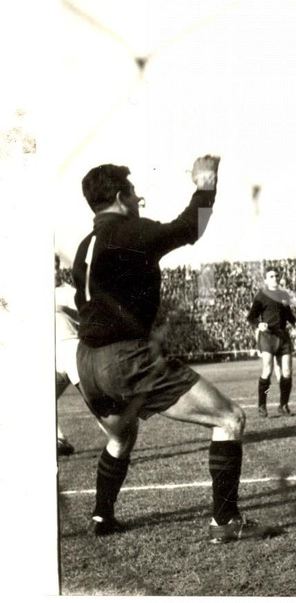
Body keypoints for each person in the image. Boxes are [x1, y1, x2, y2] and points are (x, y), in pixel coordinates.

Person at [72, 156, 273, 542]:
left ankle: (102, 516)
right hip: (125, 357)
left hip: (88, 362)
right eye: (133, 194)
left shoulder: (84, 245)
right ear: (120, 196)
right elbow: (188, 228)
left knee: (120, 437)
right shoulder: (127, 232)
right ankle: (226, 521)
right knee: (229, 418)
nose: (137, 201)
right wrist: (206, 185)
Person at [247, 267, 296, 417]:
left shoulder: (284, 295)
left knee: (287, 372)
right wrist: (259, 324)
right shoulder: (261, 296)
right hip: (268, 336)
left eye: (276, 276)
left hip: (283, 337)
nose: (274, 278)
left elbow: (288, 314)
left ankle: (283, 405)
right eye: (271, 276)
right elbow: (251, 317)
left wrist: (295, 322)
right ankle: (262, 405)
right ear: (266, 279)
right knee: (268, 370)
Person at [54, 254, 80, 456]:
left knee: (96, 401)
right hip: (52, 356)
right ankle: (59, 439)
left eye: (55, 267)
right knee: (43, 398)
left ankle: (118, 440)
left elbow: (89, 314)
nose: (53, 271)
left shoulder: (68, 293)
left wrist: (64, 311)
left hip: (73, 350)